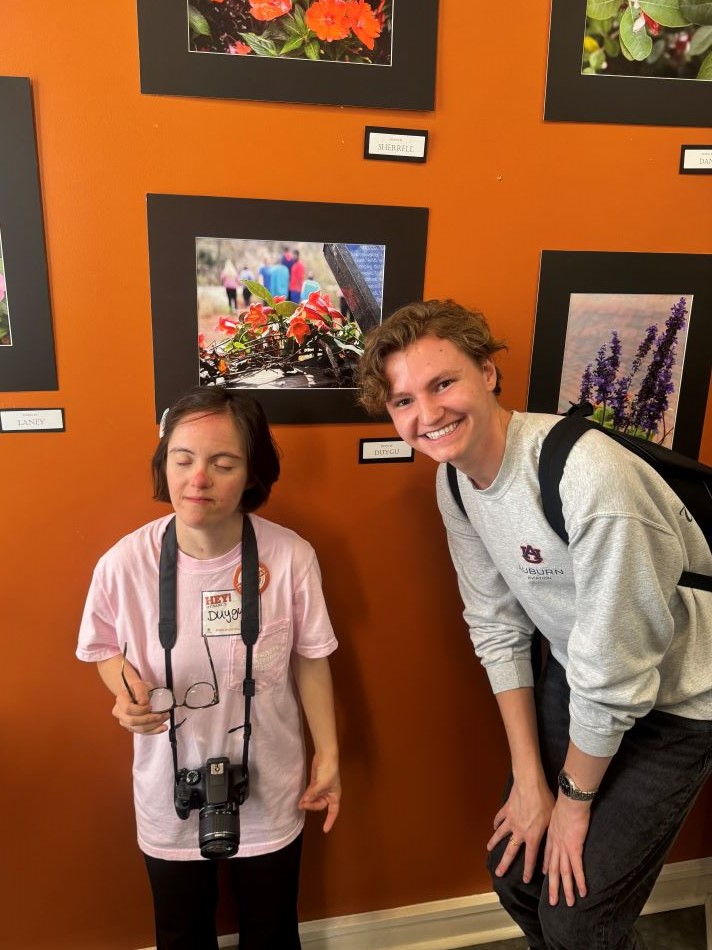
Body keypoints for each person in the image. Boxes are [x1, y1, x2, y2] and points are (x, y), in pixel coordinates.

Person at [357, 299, 712, 950]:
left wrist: (571, 805)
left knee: (577, 915)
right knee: (518, 872)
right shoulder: (456, 482)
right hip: (581, 673)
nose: (427, 416)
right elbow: (495, 625)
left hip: (680, 697)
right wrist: (529, 781)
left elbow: (620, 667)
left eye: (443, 383)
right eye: (403, 400)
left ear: (487, 373)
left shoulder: (587, 478)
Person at [76, 386, 341, 950]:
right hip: (165, 783)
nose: (199, 479)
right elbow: (102, 648)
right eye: (183, 459)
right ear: (164, 463)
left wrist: (330, 757)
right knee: (179, 933)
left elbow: (311, 658)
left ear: (251, 474)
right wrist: (128, 695)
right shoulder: (124, 563)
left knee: (272, 931)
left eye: (223, 464)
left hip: (272, 779)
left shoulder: (291, 556)